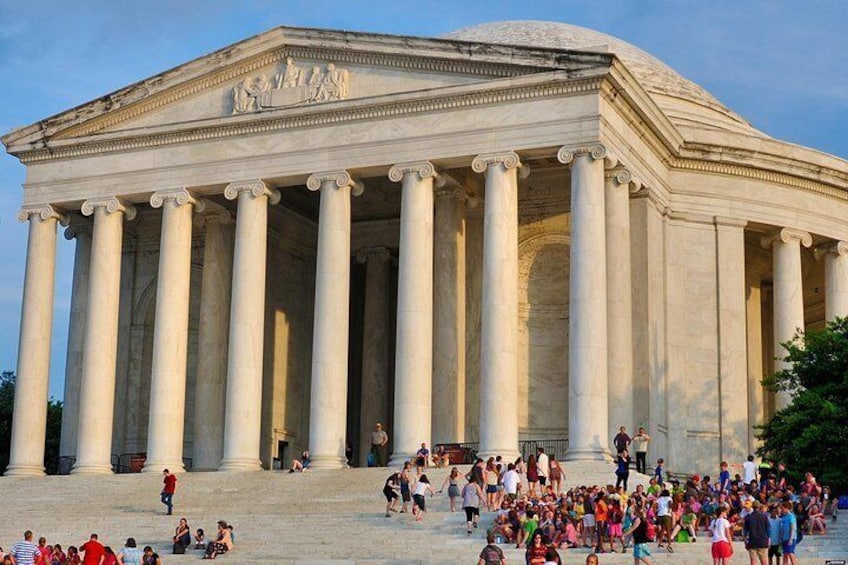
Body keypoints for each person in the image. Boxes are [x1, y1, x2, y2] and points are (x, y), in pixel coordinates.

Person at [744, 500, 770, 565]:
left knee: (753, 561)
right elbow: (768, 529)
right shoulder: (764, 517)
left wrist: (745, 541)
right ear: (759, 507)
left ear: (752, 507)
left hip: (752, 541)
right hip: (762, 541)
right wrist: (769, 540)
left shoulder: (748, 517)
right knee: (764, 561)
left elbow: (745, 531)